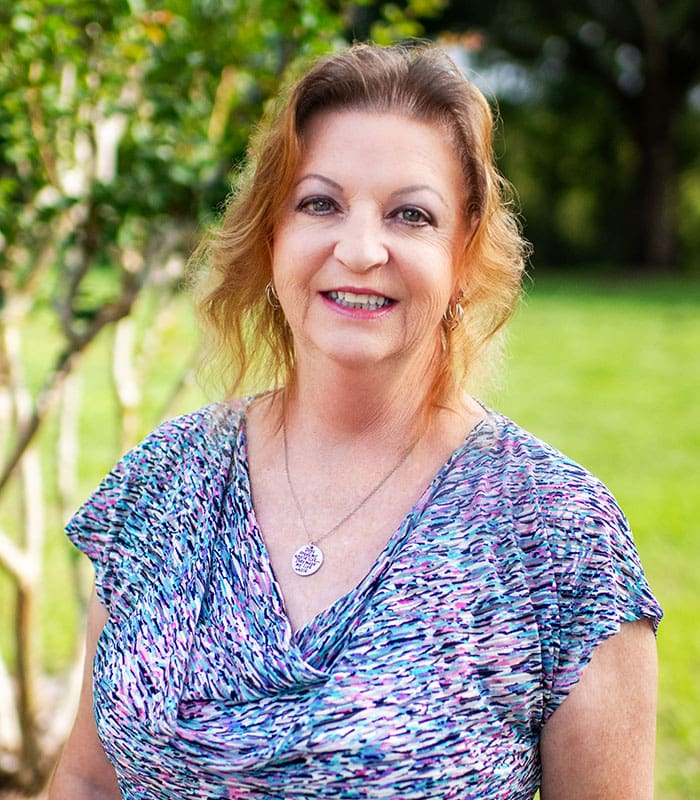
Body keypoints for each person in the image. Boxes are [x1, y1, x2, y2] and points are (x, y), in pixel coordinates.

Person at [49, 42, 661, 800]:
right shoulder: (162, 485)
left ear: (464, 254)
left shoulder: (557, 535)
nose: (361, 249)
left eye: (411, 215)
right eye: (320, 203)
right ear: (272, 234)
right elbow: (82, 779)